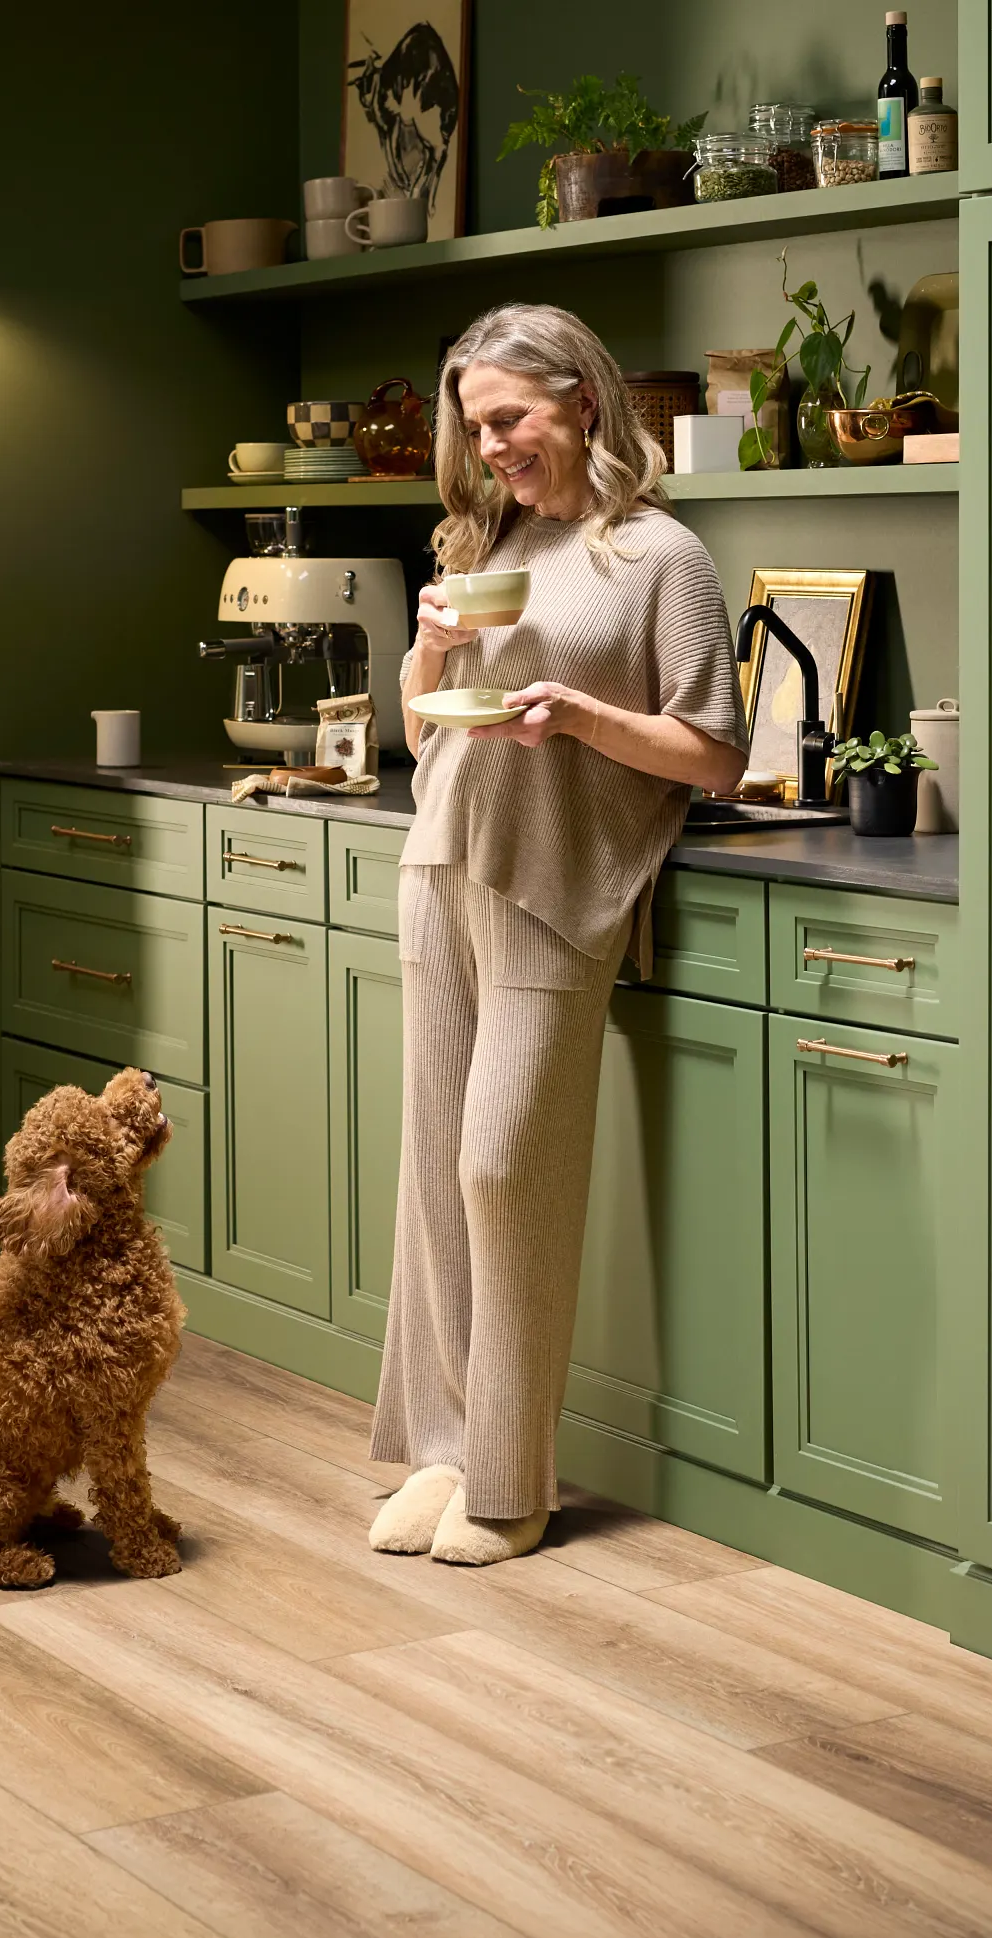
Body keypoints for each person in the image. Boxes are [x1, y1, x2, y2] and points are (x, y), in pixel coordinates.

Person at [368, 302, 748, 1566]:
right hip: (441, 862)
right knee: (437, 1174)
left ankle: (507, 1480)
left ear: (584, 398)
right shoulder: (490, 537)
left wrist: (578, 716)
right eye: (477, 428)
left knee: (501, 1168)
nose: (493, 448)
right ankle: (442, 1448)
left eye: (511, 419)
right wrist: (429, 653)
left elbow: (718, 753)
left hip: (559, 887)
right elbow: (421, 726)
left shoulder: (663, 558)